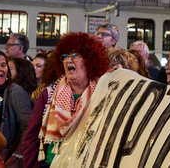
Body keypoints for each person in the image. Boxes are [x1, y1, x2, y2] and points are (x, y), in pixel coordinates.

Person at [23, 32, 110, 168]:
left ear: (90, 60)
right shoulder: (48, 94)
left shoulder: (103, 94)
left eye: (75, 55)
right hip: (50, 163)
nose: (69, 60)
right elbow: (31, 138)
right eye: (65, 56)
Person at [0, 49, 32, 165]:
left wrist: (16, 156)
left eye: (3, 65)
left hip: (3, 160)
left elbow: (28, 127)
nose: (0, 69)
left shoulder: (14, 91)